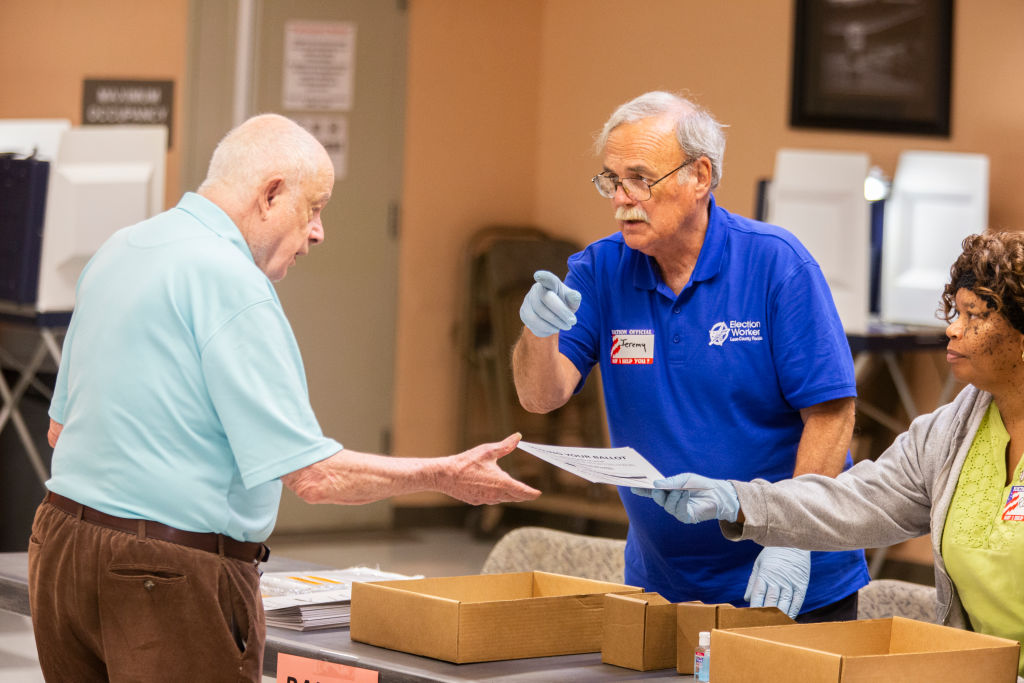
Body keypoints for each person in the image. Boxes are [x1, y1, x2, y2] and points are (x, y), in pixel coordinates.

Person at [29, 113, 540, 682]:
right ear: (270, 195)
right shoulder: (232, 282)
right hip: (163, 576)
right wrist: (444, 475)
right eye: (314, 208)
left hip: (59, 553)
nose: (318, 232)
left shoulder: (121, 249)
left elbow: (59, 430)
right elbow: (314, 476)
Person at [512, 91, 868, 620]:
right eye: (611, 179)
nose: (621, 198)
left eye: (640, 178)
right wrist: (536, 332)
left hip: (792, 583)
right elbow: (541, 396)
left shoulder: (776, 264)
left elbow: (832, 415)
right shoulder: (601, 269)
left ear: (699, 177)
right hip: (663, 585)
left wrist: (791, 536)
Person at [636, 231, 1024, 679]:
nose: (952, 328)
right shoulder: (952, 430)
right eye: (955, 311)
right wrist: (739, 500)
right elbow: (858, 501)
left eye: (974, 316)